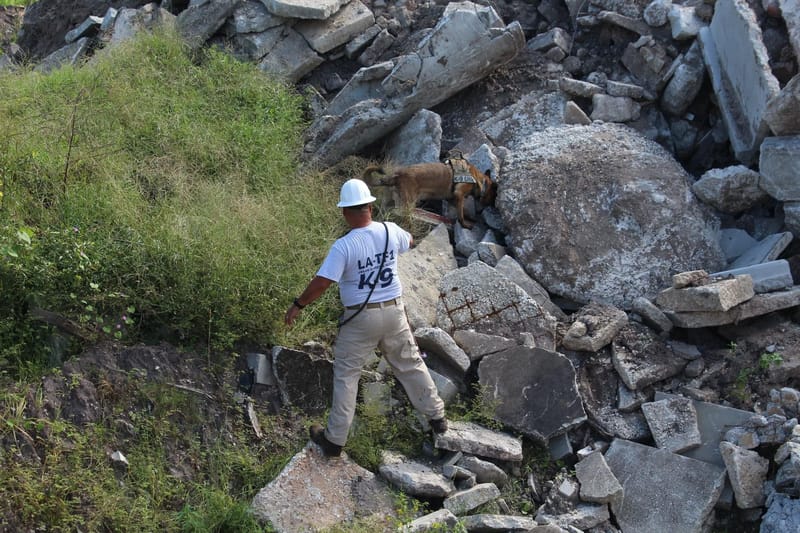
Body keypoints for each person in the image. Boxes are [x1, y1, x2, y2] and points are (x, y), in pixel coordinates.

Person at [285, 178, 448, 457]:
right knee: (410, 364)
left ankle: (335, 441)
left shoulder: (344, 246)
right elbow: (409, 241)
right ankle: (437, 418)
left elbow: (323, 282)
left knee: (347, 375)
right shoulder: (390, 231)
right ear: (370, 207)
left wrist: (298, 304)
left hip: (361, 319)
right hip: (395, 312)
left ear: (345, 212)